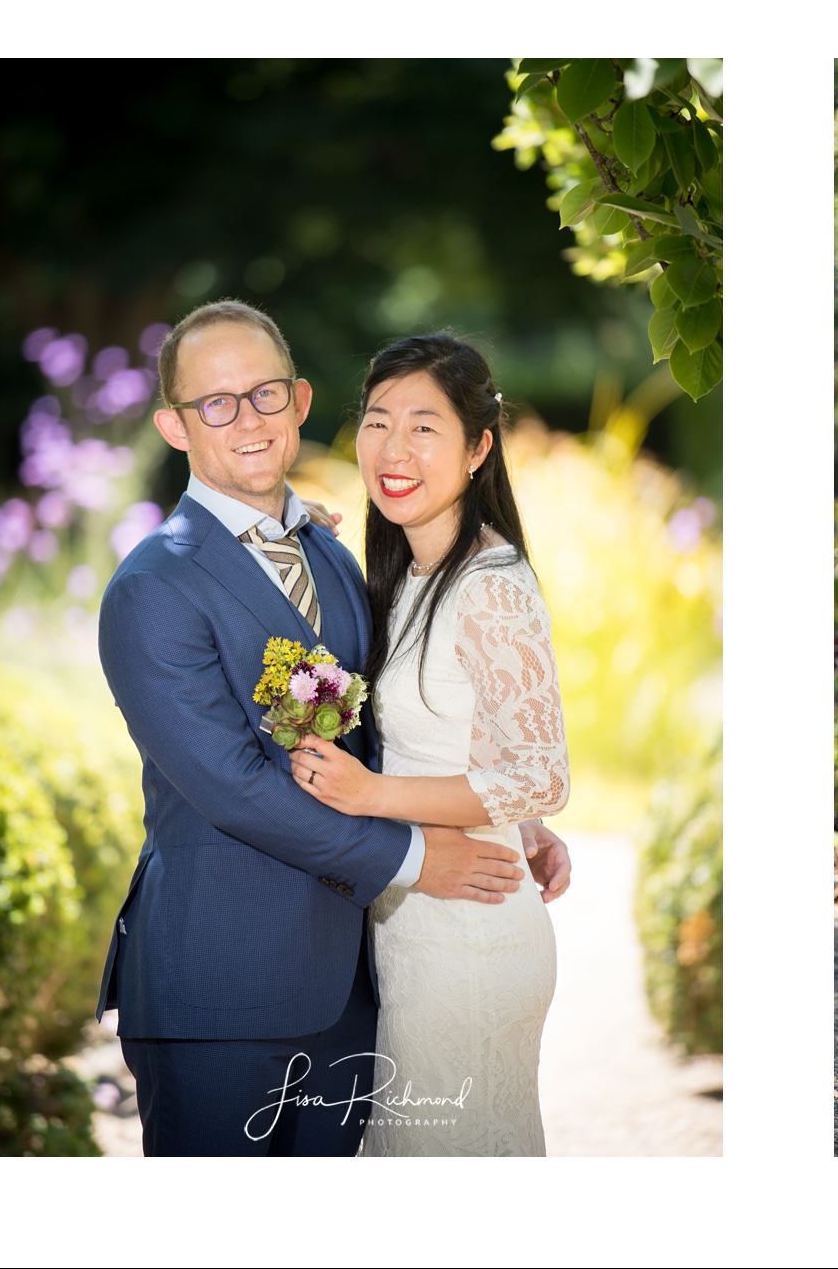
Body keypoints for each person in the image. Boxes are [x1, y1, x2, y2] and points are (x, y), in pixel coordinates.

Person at [96, 301, 570, 1156]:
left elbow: (388, 730)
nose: (248, 419)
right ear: (173, 424)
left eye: (266, 394)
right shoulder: (152, 587)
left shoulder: (335, 558)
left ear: (301, 400)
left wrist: (508, 814)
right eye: (217, 402)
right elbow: (235, 785)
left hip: (359, 987)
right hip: (220, 991)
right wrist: (424, 855)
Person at [289, 332, 568, 1156]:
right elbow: (465, 741)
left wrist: (371, 795)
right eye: (378, 422)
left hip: (470, 938)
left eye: (425, 426)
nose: (393, 448)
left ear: (479, 448)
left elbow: (537, 772)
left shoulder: (492, 587)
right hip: (418, 925)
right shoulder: (405, 573)